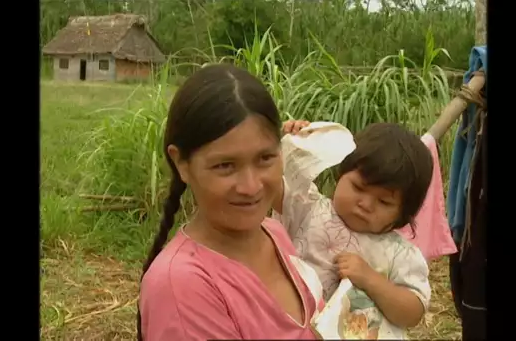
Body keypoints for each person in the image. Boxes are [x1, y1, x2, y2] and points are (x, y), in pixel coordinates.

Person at [137, 65, 325, 341]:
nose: (251, 187)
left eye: (265, 158)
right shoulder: (182, 287)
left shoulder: (272, 232)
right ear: (181, 164)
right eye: (225, 165)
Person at [273, 120, 434, 339]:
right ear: (340, 175)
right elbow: (270, 187)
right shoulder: (308, 208)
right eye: (358, 187)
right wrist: (294, 146)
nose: (366, 204)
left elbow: (412, 313)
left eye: (384, 202)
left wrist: (370, 279)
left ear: (403, 214)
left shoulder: (400, 254)